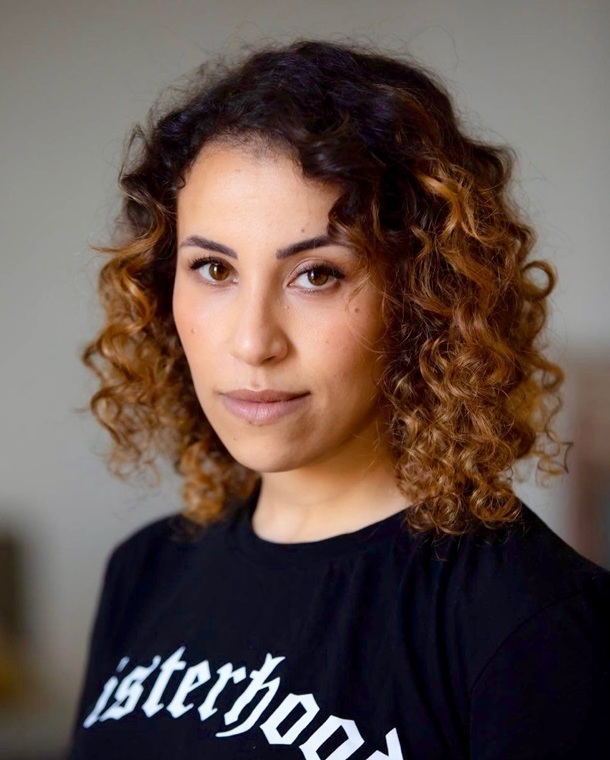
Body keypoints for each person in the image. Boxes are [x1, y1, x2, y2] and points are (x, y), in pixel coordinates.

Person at [68, 39, 610, 759]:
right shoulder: (144, 572)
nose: (253, 342)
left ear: (422, 298)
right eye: (214, 269)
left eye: (317, 275)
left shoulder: (528, 615)